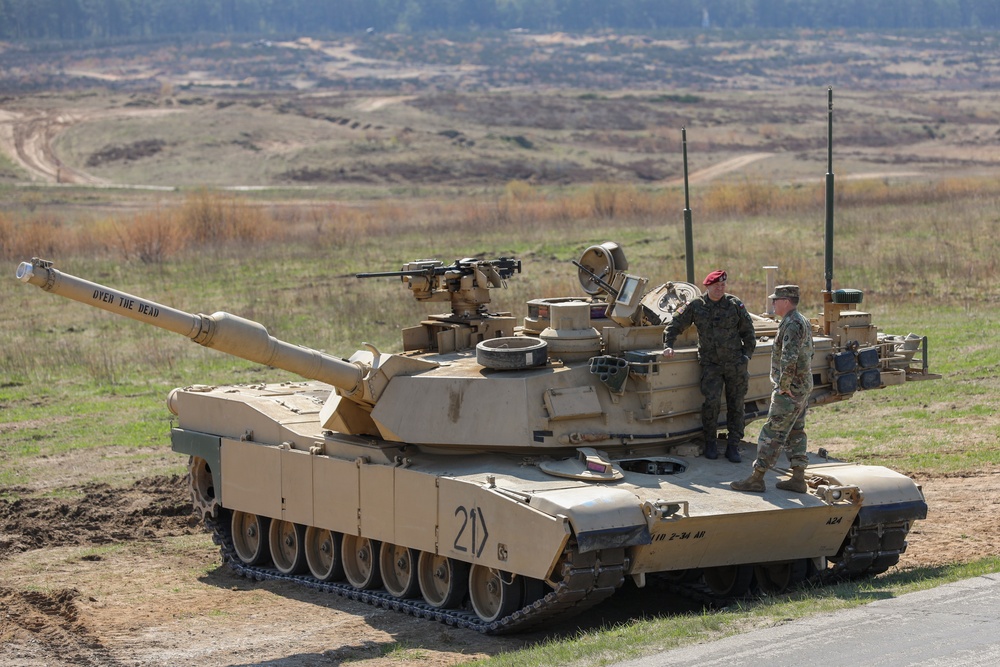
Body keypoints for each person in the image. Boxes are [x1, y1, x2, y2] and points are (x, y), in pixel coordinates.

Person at [663, 269, 756, 462]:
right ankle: (711, 443)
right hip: (711, 364)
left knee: (736, 405)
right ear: (708, 286)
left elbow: (748, 331)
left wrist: (746, 355)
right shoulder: (697, 305)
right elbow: (675, 324)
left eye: (723, 285)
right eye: (716, 286)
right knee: (711, 405)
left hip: (735, 364)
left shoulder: (734, 304)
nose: (720, 288)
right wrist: (668, 345)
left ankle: (733, 446)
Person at [731, 284, 815, 493]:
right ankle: (797, 478)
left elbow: (789, 357)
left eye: (775, 300)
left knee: (772, 432)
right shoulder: (800, 320)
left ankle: (757, 478)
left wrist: (784, 386)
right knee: (796, 431)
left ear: (786, 301)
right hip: (802, 387)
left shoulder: (792, 324)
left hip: (790, 389)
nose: (773, 303)